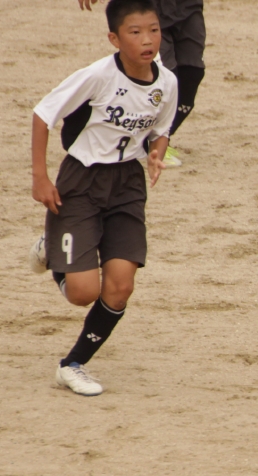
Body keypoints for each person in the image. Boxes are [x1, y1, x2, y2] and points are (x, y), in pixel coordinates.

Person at [30, 0, 176, 396]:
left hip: (128, 184)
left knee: (121, 286)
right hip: (82, 179)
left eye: (154, 30)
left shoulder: (166, 82)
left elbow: (161, 129)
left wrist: (157, 153)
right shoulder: (97, 76)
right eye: (135, 32)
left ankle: (72, 365)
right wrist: (40, 177)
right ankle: (52, 247)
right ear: (114, 38)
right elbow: (43, 114)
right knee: (83, 293)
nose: (147, 40)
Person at [80, 0, 205, 167]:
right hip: (151, 6)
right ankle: (151, 145)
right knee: (163, 76)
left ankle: (153, 140)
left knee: (192, 73)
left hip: (187, 5)